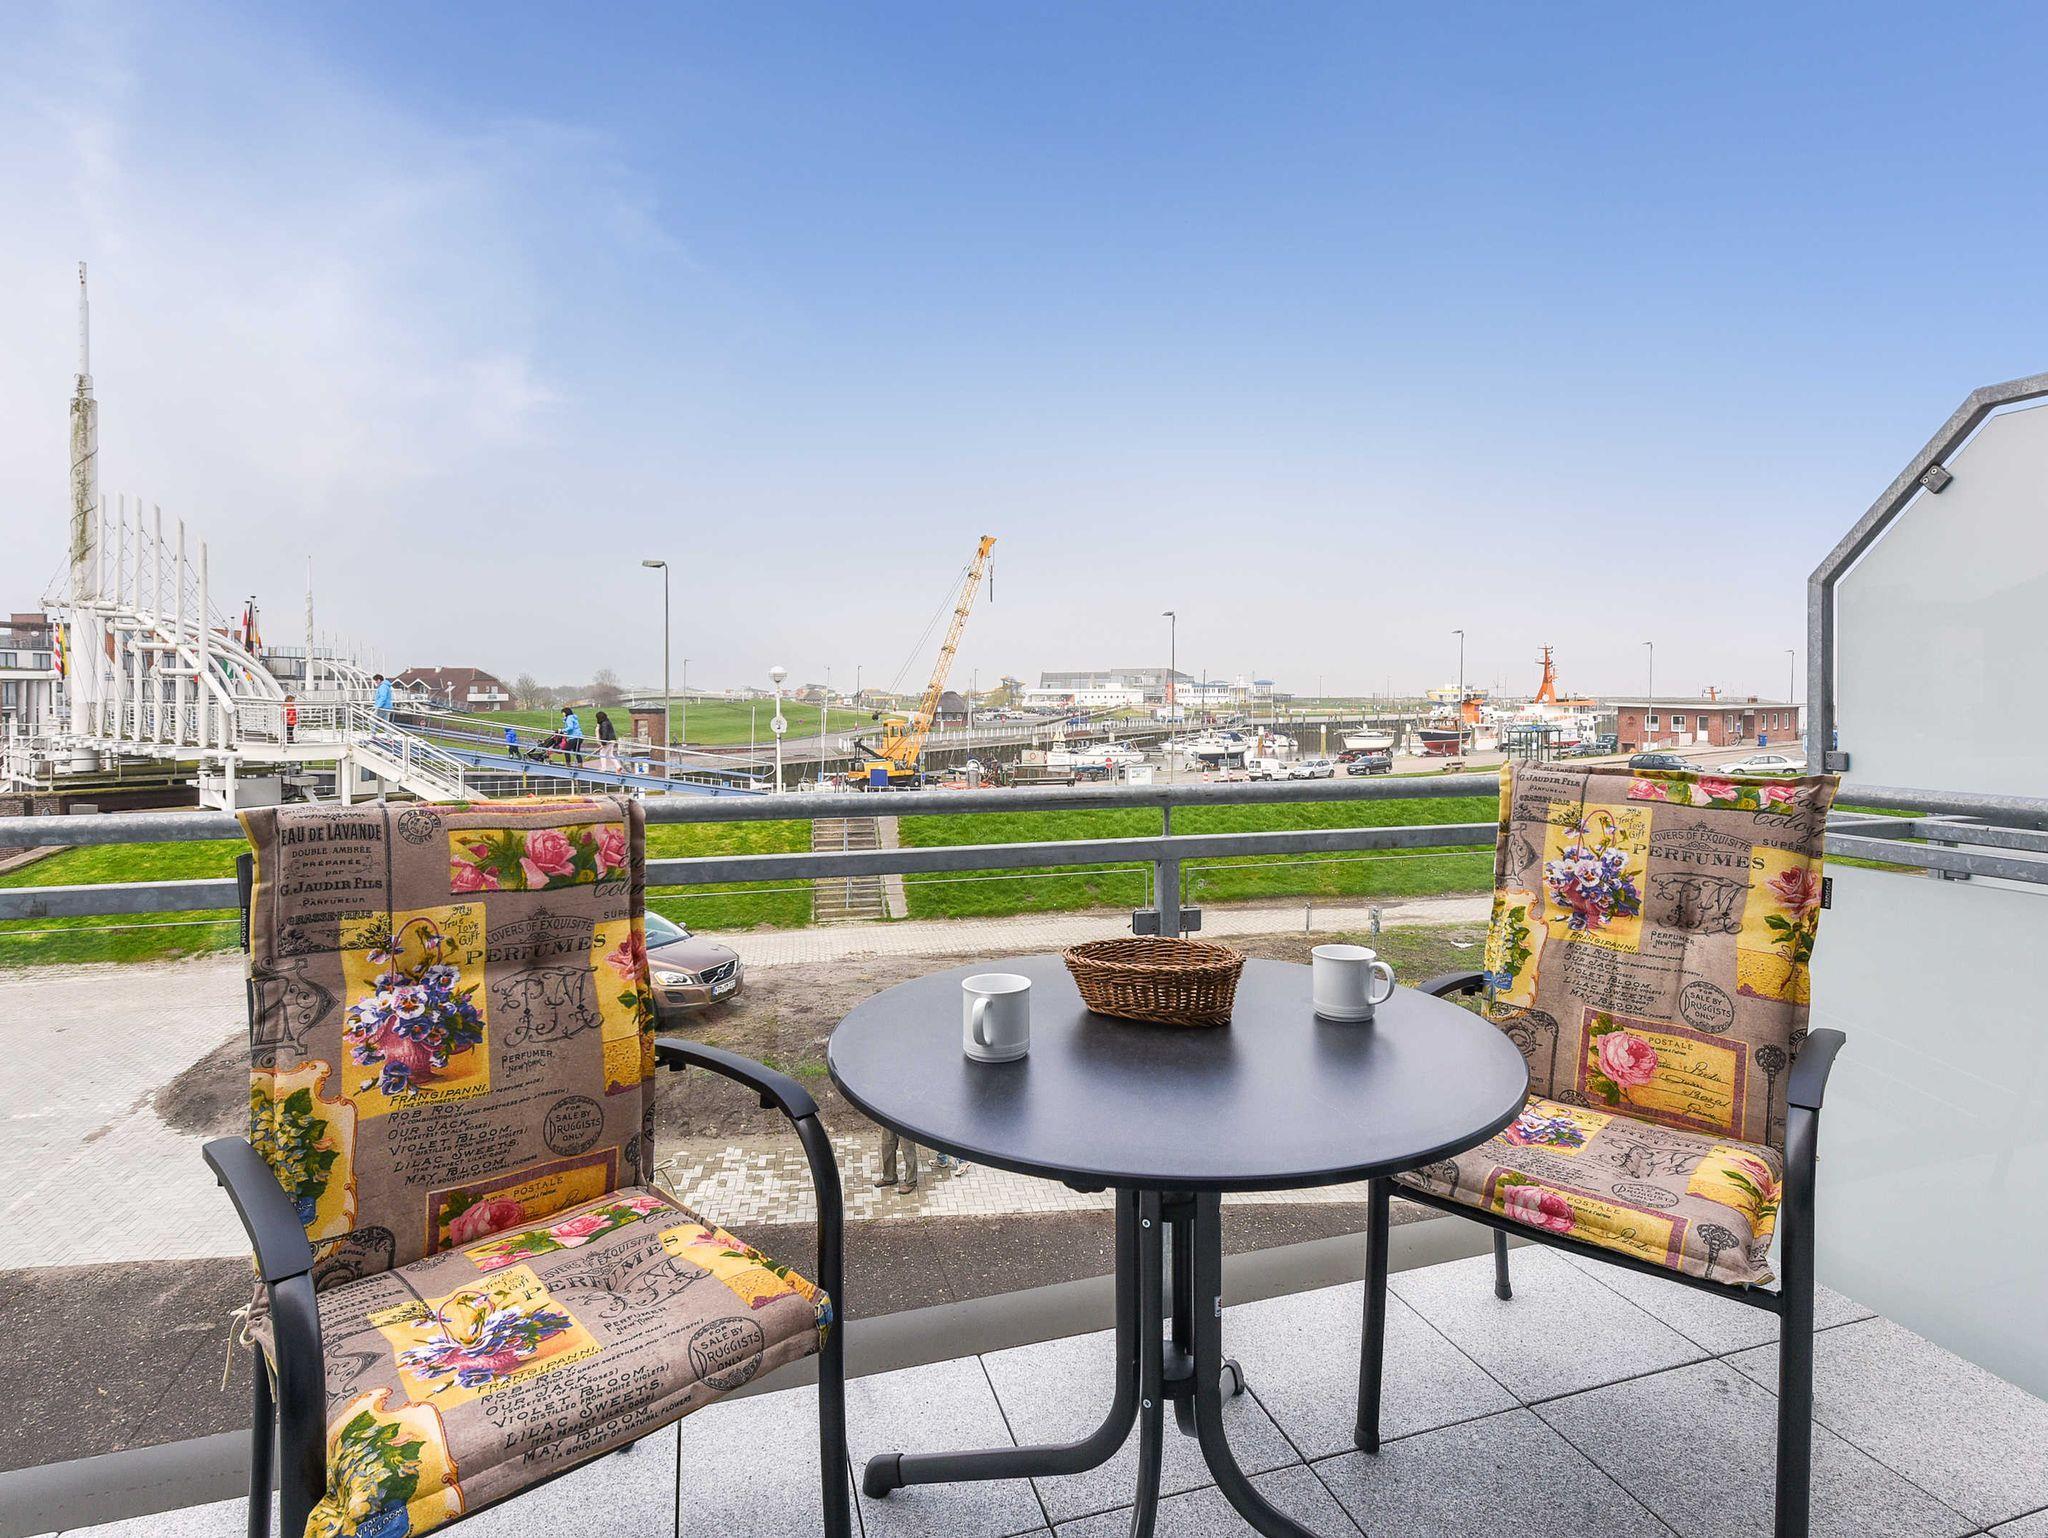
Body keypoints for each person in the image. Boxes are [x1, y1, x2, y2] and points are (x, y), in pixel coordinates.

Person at [874, 1129, 919, 1195]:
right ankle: (889, 1177)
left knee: (907, 1148)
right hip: (889, 1122)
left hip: (906, 1123)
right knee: (887, 1145)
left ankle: (911, 1181)